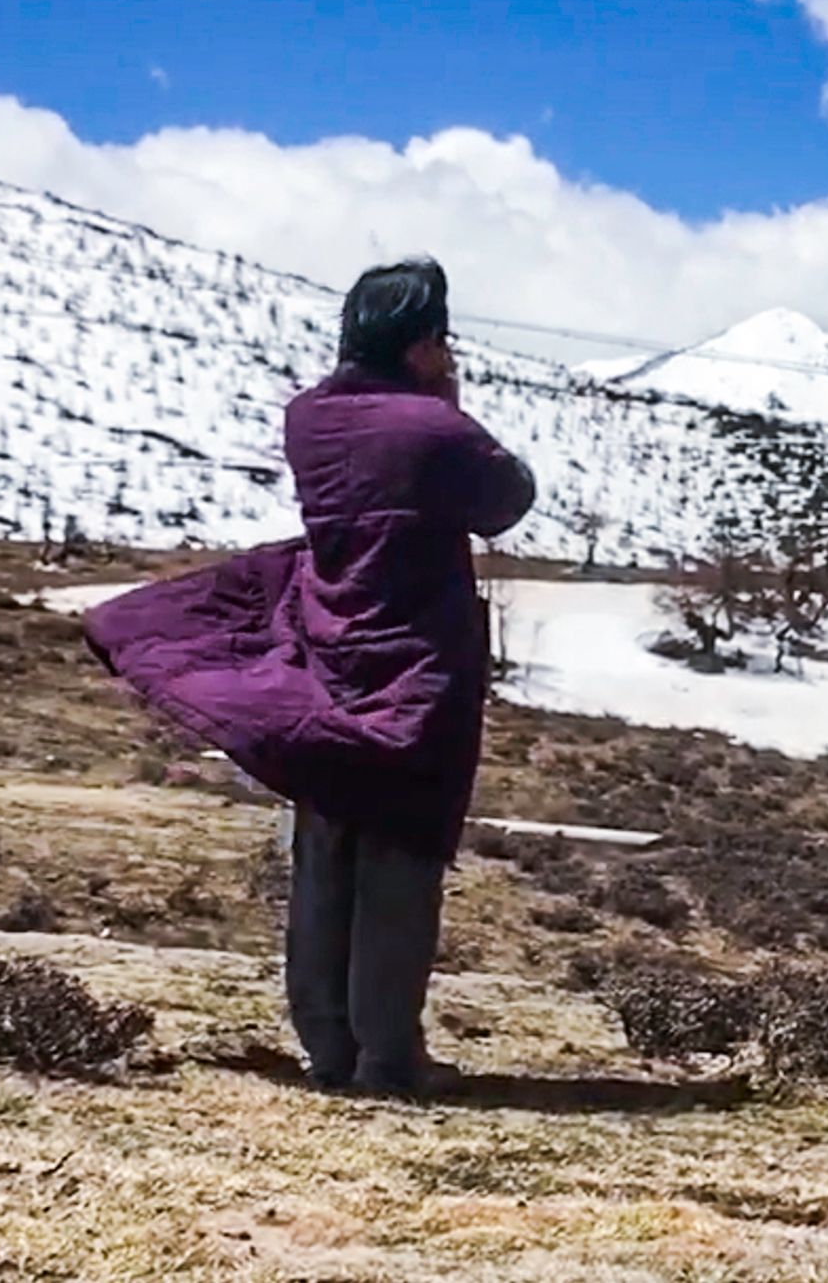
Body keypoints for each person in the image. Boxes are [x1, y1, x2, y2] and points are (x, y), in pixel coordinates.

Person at [85, 259, 537, 1096]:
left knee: (325, 846)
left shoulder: (310, 417)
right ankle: (388, 1057)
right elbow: (505, 499)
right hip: (415, 661)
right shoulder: (438, 431)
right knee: (400, 855)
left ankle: (327, 1047)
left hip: (325, 644)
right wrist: (446, 402)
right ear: (425, 341)